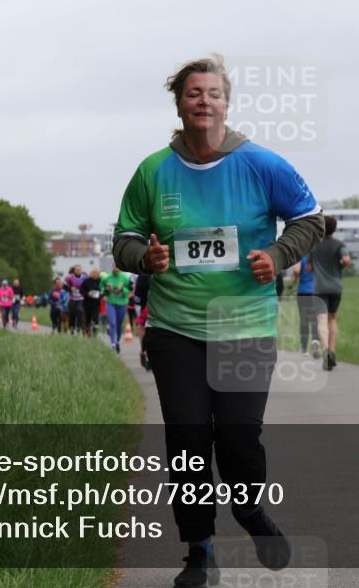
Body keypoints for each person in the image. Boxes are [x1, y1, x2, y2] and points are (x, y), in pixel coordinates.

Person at [112, 55, 323, 587]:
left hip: (245, 327)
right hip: (175, 328)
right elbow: (124, 239)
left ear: (227, 103)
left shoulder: (261, 163)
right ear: (179, 104)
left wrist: (276, 255)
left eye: (213, 93)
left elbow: (310, 218)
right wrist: (146, 258)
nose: (203, 101)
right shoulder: (153, 170)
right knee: (186, 442)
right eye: (193, 93)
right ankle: (199, 549)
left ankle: (250, 511)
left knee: (236, 442)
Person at [309, 215, 351, 370]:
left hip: (320, 288)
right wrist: (340, 266)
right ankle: (332, 352)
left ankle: (325, 350)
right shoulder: (340, 244)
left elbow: (308, 268)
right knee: (332, 318)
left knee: (321, 320)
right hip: (336, 287)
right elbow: (346, 260)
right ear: (334, 228)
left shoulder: (314, 246)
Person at [101, 263, 132, 353]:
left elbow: (129, 290)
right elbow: (102, 289)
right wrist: (107, 289)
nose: (116, 268)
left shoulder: (125, 278)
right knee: (112, 323)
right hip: (110, 303)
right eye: (114, 266)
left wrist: (122, 289)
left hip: (122, 303)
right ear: (112, 267)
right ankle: (113, 343)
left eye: (118, 266)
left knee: (119, 325)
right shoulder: (106, 278)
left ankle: (117, 341)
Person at [293, 255, 320, 357]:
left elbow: (296, 270)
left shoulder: (301, 256)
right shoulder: (316, 256)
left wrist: (295, 279)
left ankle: (304, 348)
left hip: (303, 292)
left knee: (304, 320)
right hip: (316, 291)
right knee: (315, 320)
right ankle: (315, 344)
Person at [133, 272, 152, 369]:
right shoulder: (144, 275)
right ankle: (144, 351)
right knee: (143, 328)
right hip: (146, 306)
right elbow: (138, 295)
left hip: (164, 307)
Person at [66, 265, 87, 335]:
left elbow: (87, 285)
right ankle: (71, 327)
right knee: (72, 314)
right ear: (74, 271)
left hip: (81, 298)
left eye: (79, 270)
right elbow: (65, 286)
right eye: (76, 270)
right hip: (72, 298)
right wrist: (70, 288)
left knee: (80, 311)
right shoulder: (69, 278)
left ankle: (78, 327)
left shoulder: (84, 277)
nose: (78, 271)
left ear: (81, 270)